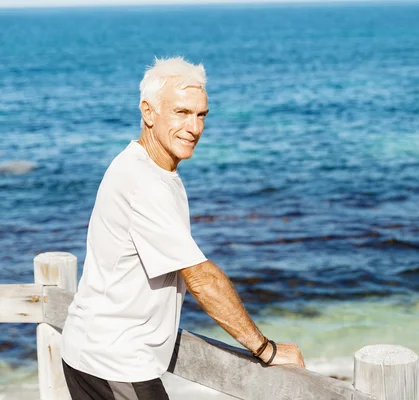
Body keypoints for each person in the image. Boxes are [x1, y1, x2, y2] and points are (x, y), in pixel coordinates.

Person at [60, 57, 305, 400]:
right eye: (181, 112)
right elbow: (201, 279)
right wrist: (266, 349)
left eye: (201, 114)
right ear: (148, 112)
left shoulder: (146, 167)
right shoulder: (144, 182)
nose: (194, 127)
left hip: (92, 352)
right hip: (115, 362)